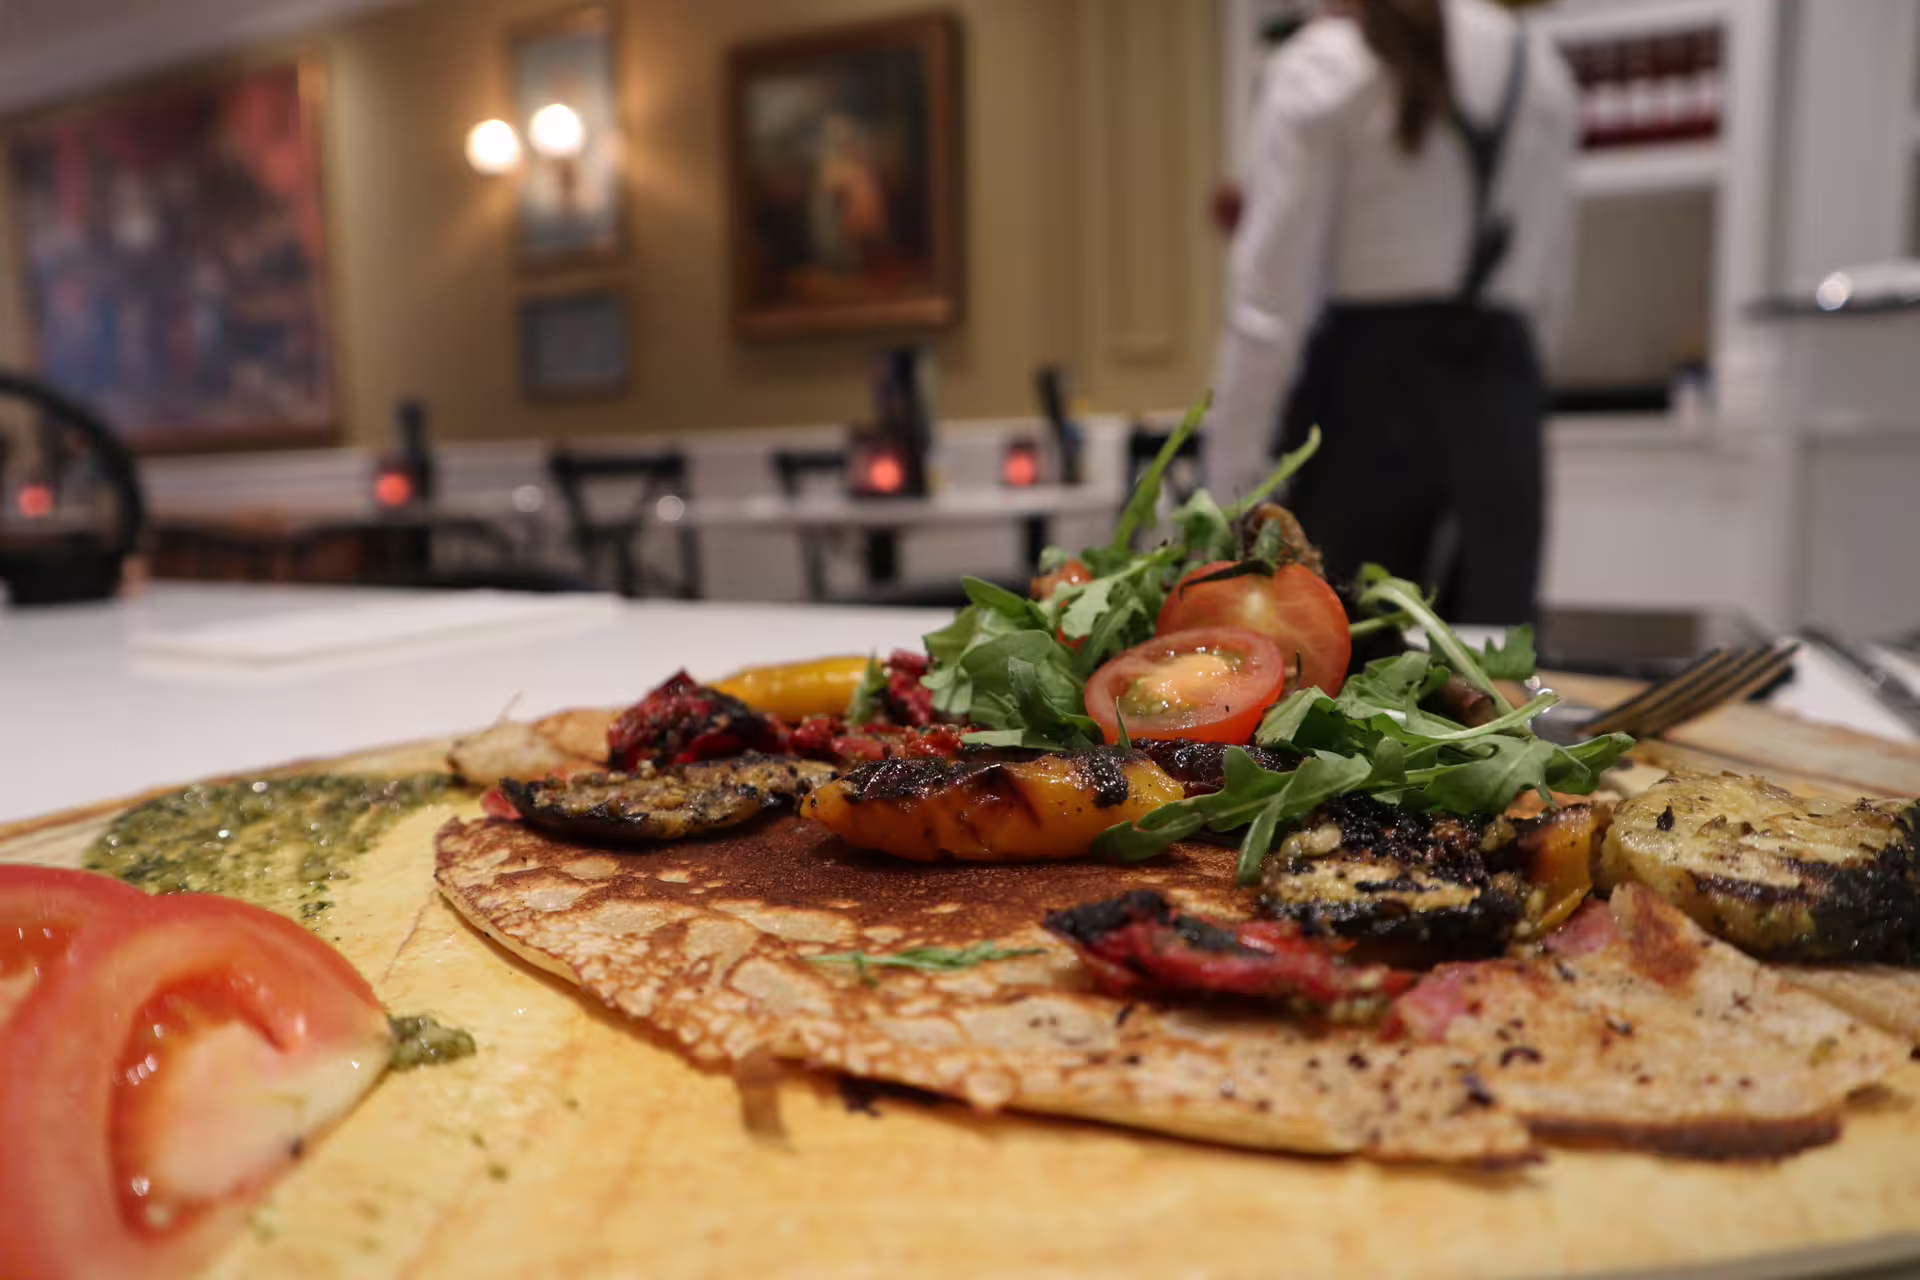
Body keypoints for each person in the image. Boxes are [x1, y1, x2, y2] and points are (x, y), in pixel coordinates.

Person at [1206, 0, 1577, 624]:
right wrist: (1509, 399)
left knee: (1348, 653)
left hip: (1367, 405)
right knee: (1493, 660)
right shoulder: (1540, 65)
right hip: (1503, 394)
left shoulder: (1322, 66)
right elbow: (1553, 280)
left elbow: (1268, 305)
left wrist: (1229, 492)